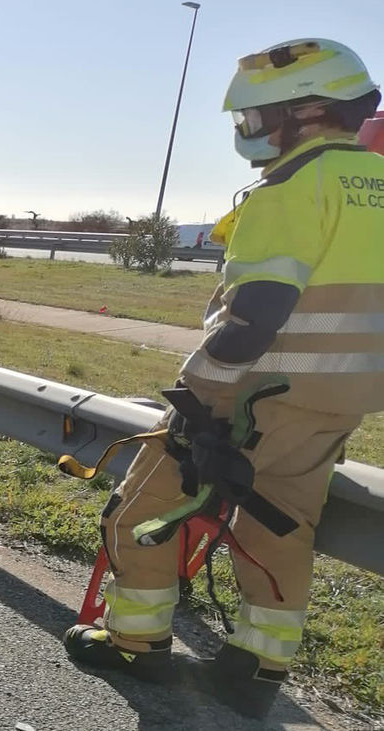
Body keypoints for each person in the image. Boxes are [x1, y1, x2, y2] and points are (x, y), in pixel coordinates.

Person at [65, 38, 384, 720]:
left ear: (308, 113)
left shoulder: (294, 188)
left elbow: (254, 316)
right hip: (341, 402)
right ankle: (259, 665)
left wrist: (195, 392)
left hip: (253, 398)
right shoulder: (377, 184)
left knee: (142, 508)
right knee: (280, 525)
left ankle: (135, 642)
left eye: (252, 121)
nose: (246, 134)